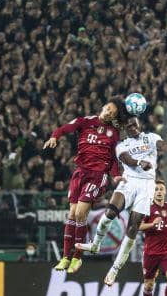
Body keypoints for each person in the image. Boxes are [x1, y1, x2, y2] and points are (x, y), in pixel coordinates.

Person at [43, 98, 126, 274]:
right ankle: (66, 257)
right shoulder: (85, 121)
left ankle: (77, 257)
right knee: (72, 214)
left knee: (81, 213)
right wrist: (54, 136)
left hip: (97, 176)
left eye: (113, 113)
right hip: (80, 173)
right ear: (103, 107)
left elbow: (113, 159)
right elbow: (65, 128)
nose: (110, 112)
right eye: (109, 108)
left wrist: (116, 175)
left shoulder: (114, 133)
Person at [103, 117, 167, 286]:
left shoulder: (151, 137)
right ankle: (95, 243)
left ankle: (115, 269)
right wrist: (140, 162)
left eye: (134, 124)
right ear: (124, 128)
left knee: (133, 228)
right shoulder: (122, 144)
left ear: (140, 125)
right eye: (128, 125)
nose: (132, 127)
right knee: (110, 212)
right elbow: (126, 159)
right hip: (129, 182)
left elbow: (161, 144)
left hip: (146, 187)